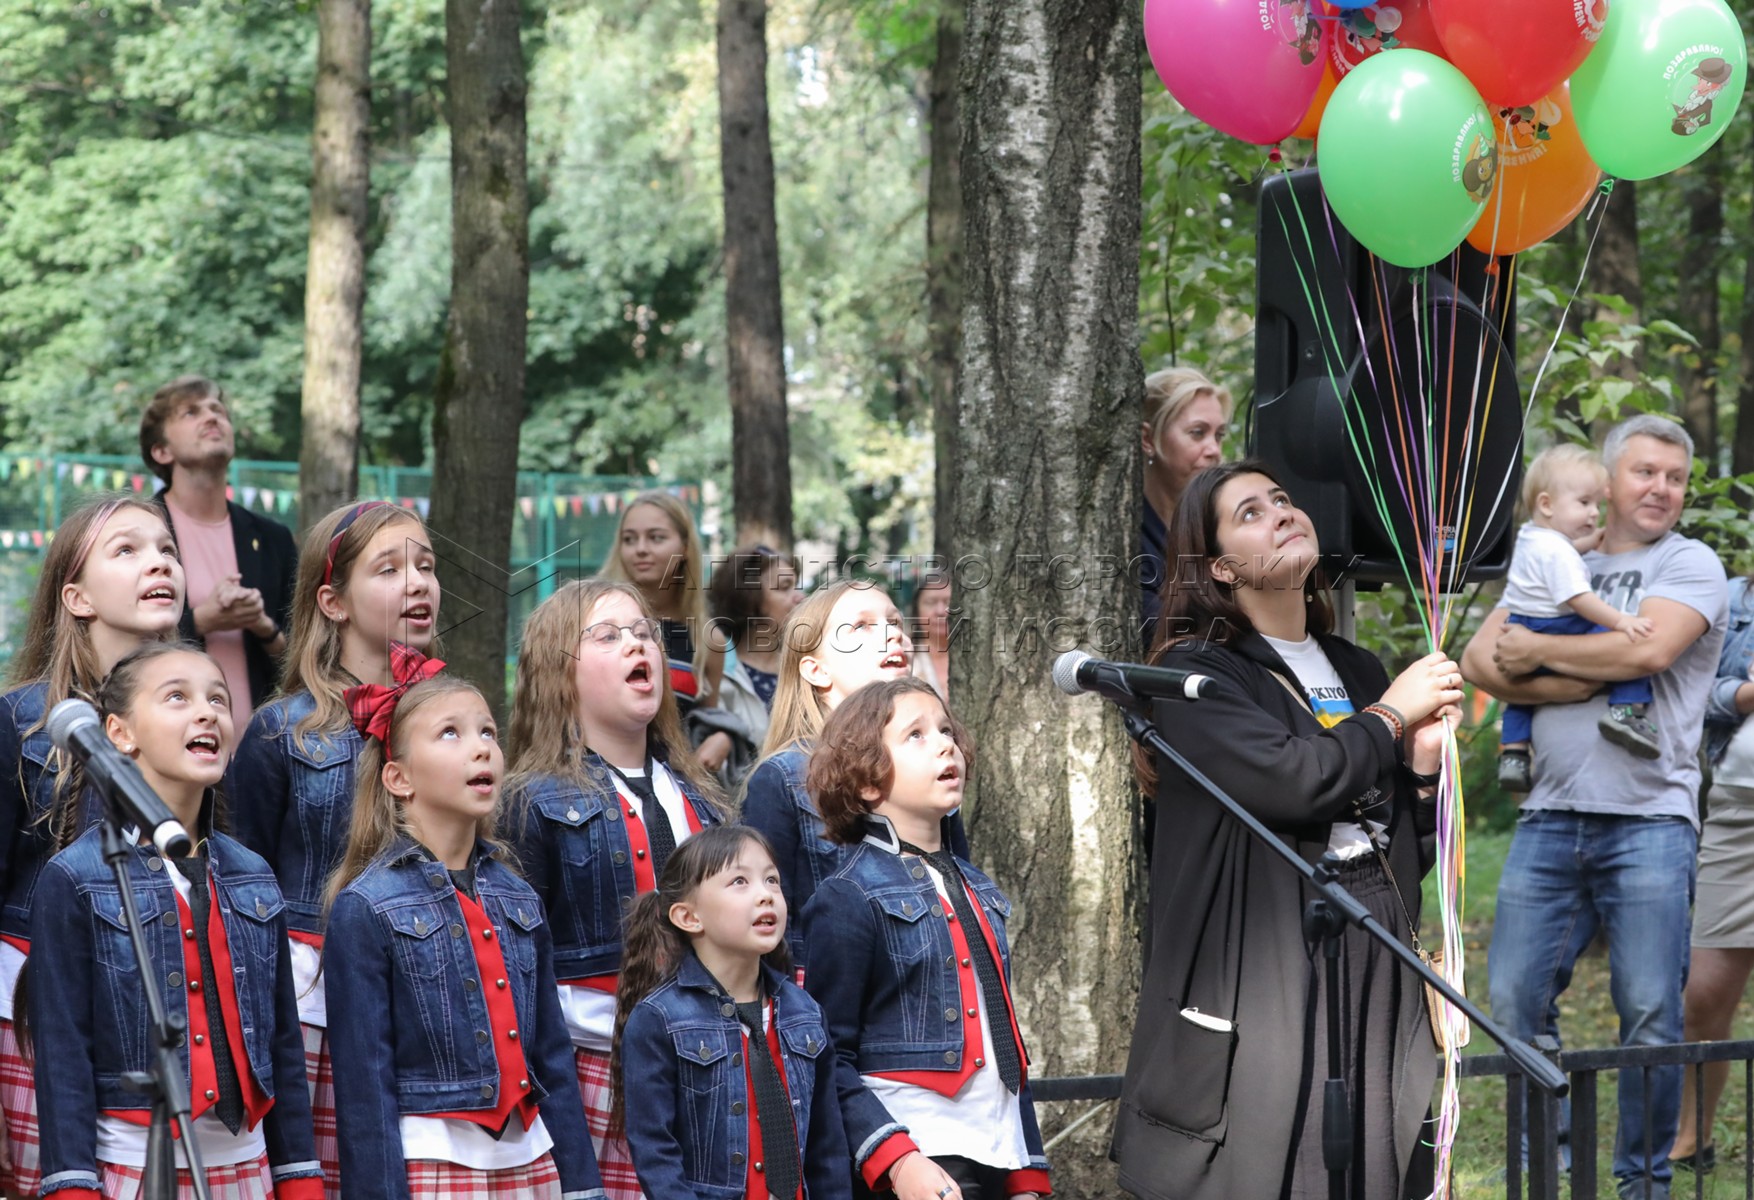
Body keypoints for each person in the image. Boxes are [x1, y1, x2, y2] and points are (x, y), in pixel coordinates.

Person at [1111, 460, 1456, 1200]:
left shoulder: (1358, 667)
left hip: (1375, 939)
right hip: (1275, 957)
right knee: (1291, 1160)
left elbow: (1395, 850)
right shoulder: (1196, 675)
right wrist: (1392, 717)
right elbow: (1297, 780)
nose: (1281, 513)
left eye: (1283, 500)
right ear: (1221, 568)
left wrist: (1421, 769)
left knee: (1378, 1154)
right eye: (1250, 513)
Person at [1462, 414, 1728, 1200]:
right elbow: (1479, 659)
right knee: (1515, 1000)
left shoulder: (1689, 562)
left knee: (1649, 1010)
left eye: (1675, 478)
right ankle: (1545, 1171)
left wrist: (1538, 654)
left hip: (1651, 821)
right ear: (1608, 481)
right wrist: (1576, 678)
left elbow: (1648, 648)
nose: (1661, 489)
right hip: (1547, 816)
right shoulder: (1556, 553)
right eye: (1645, 472)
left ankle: (1641, 1182)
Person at [29, 644, 324, 1200]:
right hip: (130, 1168)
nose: (208, 712)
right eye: (177, 698)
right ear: (119, 733)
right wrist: (72, 1186)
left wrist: (299, 1177)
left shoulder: (254, 874)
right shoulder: (76, 877)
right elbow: (63, 1053)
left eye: (219, 699)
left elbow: (283, 1043)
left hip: (248, 1167)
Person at [228, 499, 441, 1196]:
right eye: (390, 569)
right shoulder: (280, 733)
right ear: (333, 601)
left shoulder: (455, 722)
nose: (418, 583)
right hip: (315, 1010)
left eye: (426, 566)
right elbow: (241, 886)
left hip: (430, 997)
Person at [324, 674, 602, 1200]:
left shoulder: (520, 897)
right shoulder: (365, 906)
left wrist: (583, 1187)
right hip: (431, 1161)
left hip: (534, 1159)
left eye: (488, 732)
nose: (481, 748)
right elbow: (364, 1084)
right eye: (450, 733)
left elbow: (553, 1056)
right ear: (398, 778)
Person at [504, 578, 725, 1200]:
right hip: (592, 1073)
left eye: (644, 633)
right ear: (558, 674)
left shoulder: (705, 799)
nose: (637, 645)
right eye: (607, 636)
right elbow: (521, 979)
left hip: (710, 1064)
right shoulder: (528, 802)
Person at [0, 496, 187, 1198]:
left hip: (151, 1009)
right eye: (128, 550)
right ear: (76, 597)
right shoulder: (19, 721)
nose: (158, 563)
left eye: (166, 549)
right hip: (29, 1014)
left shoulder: (199, 718)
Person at [804, 677, 1051, 1200]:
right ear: (867, 780)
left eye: (946, 731)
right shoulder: (847, 894)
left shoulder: (979, 887)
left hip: (1000, 1153)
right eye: (915, 735)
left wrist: (1028, 1175)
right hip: (916, 1154)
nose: (945, 745)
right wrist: (896, 1161)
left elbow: (1005, 1039)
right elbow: (826, 1053)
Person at [739, 580, 967, 974]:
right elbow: (765, 932)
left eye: (895, 622)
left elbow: (961, 894)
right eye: (862, 626)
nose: (892, 634)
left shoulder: (933, 761)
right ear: (816, 669)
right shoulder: (782, 778)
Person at [615, 825, 852, 1200]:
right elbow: (656, 1154)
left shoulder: (804, 1012)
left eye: (772, 880)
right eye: (740, 881)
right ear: (689, 917)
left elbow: (828, 1149)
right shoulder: (659, 1019)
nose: (766, 894)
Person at [1497, 444, 1658, 792]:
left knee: (1521, 693)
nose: (1593, 513)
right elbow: (1578, 598)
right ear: (1547, 504)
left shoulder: (1531, 536)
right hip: (1560, 625)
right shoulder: (1558, 552)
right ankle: (1626, 711)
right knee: (1624, 650)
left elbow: (1560, 556)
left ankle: (1514, 752)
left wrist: (1587, 543)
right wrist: (1621, 622)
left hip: (1522, 624)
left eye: (1597, 505)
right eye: (1584, 503)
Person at [1663, 561, 1754, 1176]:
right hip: (1739, 809)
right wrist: (1744, 694)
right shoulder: (1730, 598)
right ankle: (1692, 1140)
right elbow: (1689, 688)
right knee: (1703, 995)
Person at [142, 375, 297, 725]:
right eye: (191, 412)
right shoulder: (139, 532)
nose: (212, 417)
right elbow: (121, 644)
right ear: (161, 451)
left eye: (218, 410)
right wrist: (200, 621)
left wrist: (263, 626)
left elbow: (305, 660)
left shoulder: (273, 539)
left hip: (260, 744)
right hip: (165, 739)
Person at [603, 492, 731, 770]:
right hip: (594, 781)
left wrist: (722, 737)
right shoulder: (593, 622)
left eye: (656, 537)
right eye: (629, 539)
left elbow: (704, 722)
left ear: (684, 547)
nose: (640, 549)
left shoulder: (707, 640)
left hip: (672, 782)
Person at [1139, 366, 1232, 632]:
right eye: (1197, 433)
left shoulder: (1221, 528)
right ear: (1148, 439)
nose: (1214, 450)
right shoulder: (1126, 538)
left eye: (1219, 435)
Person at [706, 545, 804, 784]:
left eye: (796, 585)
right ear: (748, 598)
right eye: (784, 587)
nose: (799, 597)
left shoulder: (810, 668)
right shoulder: (717, 669)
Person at [911, 574, 952, 699]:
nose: (940, 611)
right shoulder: (904, 659)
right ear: (916, 611)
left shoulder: (983, 657)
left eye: (949, 602)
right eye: (930, 603)